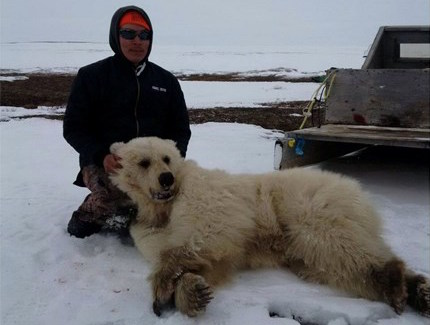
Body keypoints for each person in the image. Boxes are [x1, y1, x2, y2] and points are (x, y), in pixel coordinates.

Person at [63, 5, 191, 238]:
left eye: (144, 35)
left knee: (184, 202)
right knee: (110, 203)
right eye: (128, 33)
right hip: (106, 162)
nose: (137, 41)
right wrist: (101, 155)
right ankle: (88, 214)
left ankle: (137, 212)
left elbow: (180, 129)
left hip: (155, 164)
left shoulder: (166, 81)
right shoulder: (91, 76)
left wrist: (173, 159)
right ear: (115, 36)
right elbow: (74, 128)